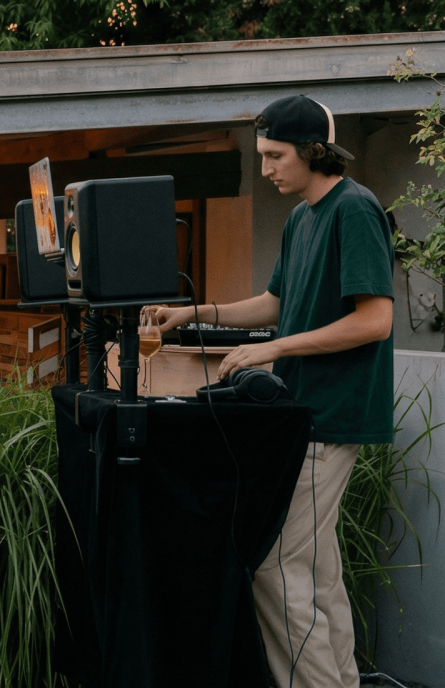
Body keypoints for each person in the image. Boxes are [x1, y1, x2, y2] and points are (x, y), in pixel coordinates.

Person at [149, 95, 394, 688]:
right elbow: (275, 304)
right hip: (299, 416)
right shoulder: (301, 217)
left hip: (328, 417)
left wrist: (276, 348)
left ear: (314, 151)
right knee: (318, 569)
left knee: (277, 566)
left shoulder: (354, 210)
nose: (265, 170)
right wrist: (195, 311)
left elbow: (375, 320)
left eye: (274, 156)